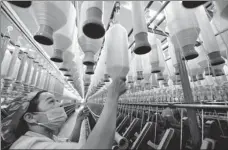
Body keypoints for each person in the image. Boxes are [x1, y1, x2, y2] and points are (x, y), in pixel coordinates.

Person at [1, 78, 127, 149]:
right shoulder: (31, 146)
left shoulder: (47, 138)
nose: (59, 105)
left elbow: (68, 142)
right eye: (51, 102)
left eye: (57, 101)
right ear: (30, 117)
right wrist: (112, 98)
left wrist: (78, 121)